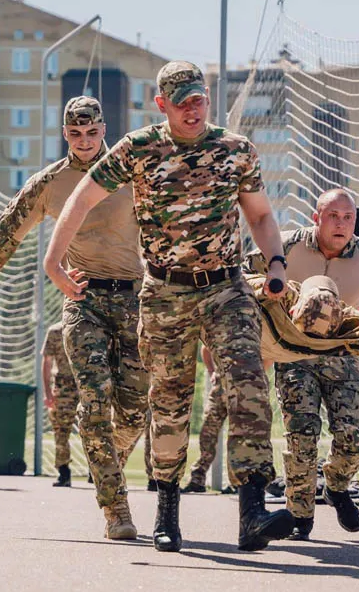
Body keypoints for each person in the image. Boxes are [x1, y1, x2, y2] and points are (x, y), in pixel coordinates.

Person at [44, 60, 293, 553]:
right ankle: (167, 510)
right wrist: (54, 262)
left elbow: (261, 215)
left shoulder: (234, 150)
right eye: (182, 103)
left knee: (249, 387)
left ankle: (252, 513)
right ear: (162, 105)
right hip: (163, 295)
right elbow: (79, 200)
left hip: (226, 288)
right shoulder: (137, 150)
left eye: (199, 99)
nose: (193, 110)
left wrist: (278, 263)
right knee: (170, 403)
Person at [0, 96, 149, 541]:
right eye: (75, 134)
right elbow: (5, 234)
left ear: (104, 128)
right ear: (65, 134)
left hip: (134, 301)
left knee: (134, 411)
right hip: (83, 299)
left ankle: (103, 462)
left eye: (92, 133)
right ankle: (116, 509)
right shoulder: (50, 184)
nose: (85, 142)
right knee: (94, 404)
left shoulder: (133, 172)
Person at [245, 188, 359, 541]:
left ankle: (337, 485)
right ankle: (300, 514)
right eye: (333, 216)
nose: (341, 224)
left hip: (343, 353)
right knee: (302, 435)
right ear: (316, 218)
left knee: (353, 436)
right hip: (293, 353)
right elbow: (239, 276)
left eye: (348, 218)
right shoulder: (286, 248)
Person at [180, 345, 227, 494]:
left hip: (246, 387)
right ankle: (197, 479)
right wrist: (212, 371)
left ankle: (241, 482)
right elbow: (206, 348)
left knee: (241, 436)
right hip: (220, 388)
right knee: (208, 433)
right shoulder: (224, 324)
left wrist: (256, 376)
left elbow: (270, 355)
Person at [42, 321, 80, 487]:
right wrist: (48, 392)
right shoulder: (55, 331)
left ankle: (97, 472)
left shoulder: (91, 328)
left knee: (95, 428)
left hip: (86, 383)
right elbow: (47, 362)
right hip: (64, 385)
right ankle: (64, 471)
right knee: (61, 429)